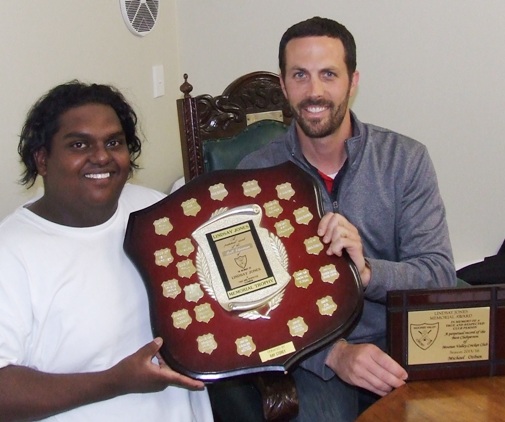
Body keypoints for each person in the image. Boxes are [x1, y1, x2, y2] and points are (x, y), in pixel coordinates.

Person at [211, 17, 457, 421]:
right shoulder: (254, 174)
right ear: (284, 84)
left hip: (402, 343)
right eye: (300, 76)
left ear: (352, 80)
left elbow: (439, 274)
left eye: (329, 74)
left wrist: (365, 273)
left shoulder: (405, 161)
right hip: (311, 358)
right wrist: (334, 355)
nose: (315, 92)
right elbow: (246, 304)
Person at [0, 81, 213, 421]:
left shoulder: (158, 212)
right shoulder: (10, 253)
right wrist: (116, 381)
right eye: (79, 144)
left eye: (114, 142)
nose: (101, 156)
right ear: (42, 160)